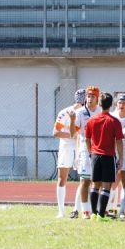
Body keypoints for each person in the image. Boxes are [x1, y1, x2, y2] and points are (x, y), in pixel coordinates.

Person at [85, 93, 124, 221]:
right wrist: (121, 158)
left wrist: (91, 152)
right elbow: (119, 141)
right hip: (108, 156)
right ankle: (101, 215)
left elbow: (87, 139)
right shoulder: (114, 121)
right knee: (106, 186)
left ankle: (93, 213)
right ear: (112, 104)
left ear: (99, 104)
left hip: (95, 155)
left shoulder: (91, 120)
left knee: (95, 185)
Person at [70, 86, 102, 219]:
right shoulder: (80, 112)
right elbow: (73, 133)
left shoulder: (101, 111)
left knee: (98, 182)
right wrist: (72, 121)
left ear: (97, 98)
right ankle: (85, 211)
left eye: (92, 96)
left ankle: (98, 209)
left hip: (98, 149)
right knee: (85, 180)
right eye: (88, 96)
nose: (89, 99)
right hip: (84, 149)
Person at [52, 89, 85, 218]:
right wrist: (72, 135)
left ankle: (76, 209)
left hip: (81, 147)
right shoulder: (65, 112)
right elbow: (55, 132)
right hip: (66, 146)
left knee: (84, 178)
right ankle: (61, 211)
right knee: (62, 179)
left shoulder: (86, 113)